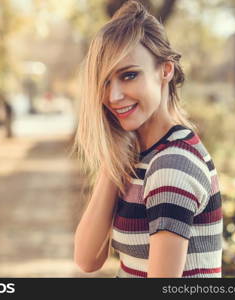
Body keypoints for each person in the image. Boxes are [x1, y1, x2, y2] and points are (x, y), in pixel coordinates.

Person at [73, 0, 222, 278]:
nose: (113, 96)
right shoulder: (142, 153)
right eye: (104, 82)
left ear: (165, 70)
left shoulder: (171, 165)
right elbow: (87, 258)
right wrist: (115, 155)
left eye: (129, 75)